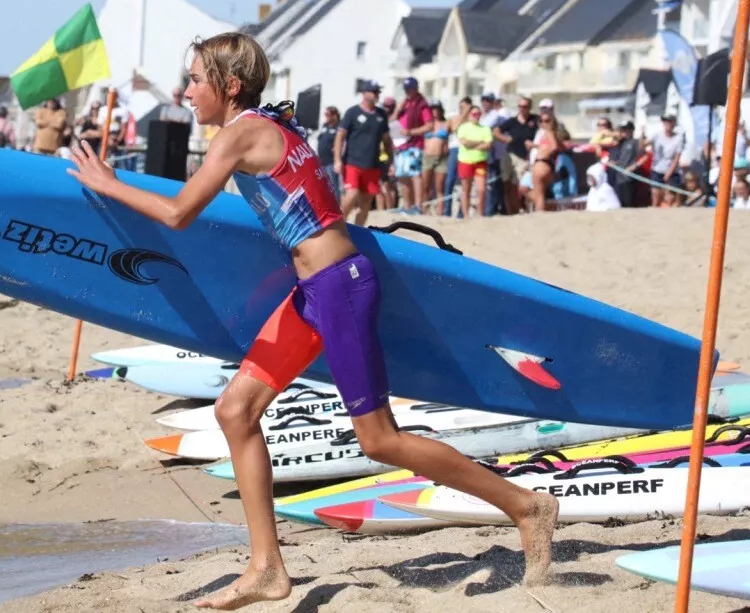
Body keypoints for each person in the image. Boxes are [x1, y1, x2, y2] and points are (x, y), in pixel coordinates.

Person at [66, 33, 558, 607]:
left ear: (228, 86)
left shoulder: (242, 132)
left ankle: (526, 505)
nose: (186, 90)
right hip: (313, 292)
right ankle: (267, 568)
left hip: (339, 290)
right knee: (235, 410)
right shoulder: (269, 125)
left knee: (380, 441)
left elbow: (179, 214)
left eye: (195, 79)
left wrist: (110, 183)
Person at [334, 81, 392, 226]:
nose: (377, 94)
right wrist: (337, 160)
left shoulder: (381, 114)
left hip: (372, 164)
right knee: (351, 195)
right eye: (374, 91)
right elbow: (340, 136)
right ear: (364, 93)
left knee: (366, 202)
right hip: (353, 162)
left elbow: (387, 140)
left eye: (378, 92)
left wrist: (391, 162)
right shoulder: (352, 112)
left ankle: (358, 231)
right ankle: (339, 224)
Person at [392, 78, 433, 213]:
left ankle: (418, 206)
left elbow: (429, 125)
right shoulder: (404, 104)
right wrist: (398, 109)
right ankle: (406, 206)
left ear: (416, 88)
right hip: (401, 144)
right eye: (406, 89)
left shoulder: (422, 104)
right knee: (402, 175)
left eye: (410, 89)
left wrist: (411, 132)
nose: (408, 91)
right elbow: (392, 120)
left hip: (414, 144)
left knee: (415, 174)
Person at [498, 97, 537, 215]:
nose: (522, 109)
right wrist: (504, 139)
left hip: (524, 158)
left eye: (525, 106)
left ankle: (524, 208)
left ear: (529, 107)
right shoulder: (512, 121)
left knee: (522, 185)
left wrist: (534, 145)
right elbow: (496, 131)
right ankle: (511, 211)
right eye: (520, 106)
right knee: (508, 185)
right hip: (510, 155)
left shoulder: (535, 120)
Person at [454, 102, 492, 219]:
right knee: (466, 189)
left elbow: (488, 144)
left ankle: (480, 213)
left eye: (478, 113)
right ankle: (466, 215)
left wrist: (472, 144)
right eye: (474, 113)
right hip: (465, 161)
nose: (476, 115)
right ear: (470, 114)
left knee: (481, 189)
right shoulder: (464, 127)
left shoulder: (485, 128)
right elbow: (464, 142)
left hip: (480, 162)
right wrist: (480, 143)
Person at [420, 102, 450, 216]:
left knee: (439, 187)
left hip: (442, 156)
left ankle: (440, 211)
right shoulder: (427, 124)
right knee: (425, 186)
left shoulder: (446, 123)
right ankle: (425, 210)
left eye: (437, 109)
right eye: (432, 109)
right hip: (428, 156)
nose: (435, 111)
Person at [650, 115, 684, 208]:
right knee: (656, 196)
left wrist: (669, 173)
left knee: (673, 198)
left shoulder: (678, 138)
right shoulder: (656, 135)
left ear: (674, 123)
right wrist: (641, 134)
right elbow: (642, 146)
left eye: (669, 121)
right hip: (657, 169)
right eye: (665, 121)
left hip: (672, 171)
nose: (667, 124)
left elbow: (677, 158)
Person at [314, 106, 342, 199]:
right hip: (322, 161)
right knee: (324, 186)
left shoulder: (339, 127)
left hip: (331, 161)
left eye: (328, 115)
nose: (326, 117)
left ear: (334, 115)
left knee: (334, 185)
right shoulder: (325, 126)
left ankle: (338, 206)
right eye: (325, 114)